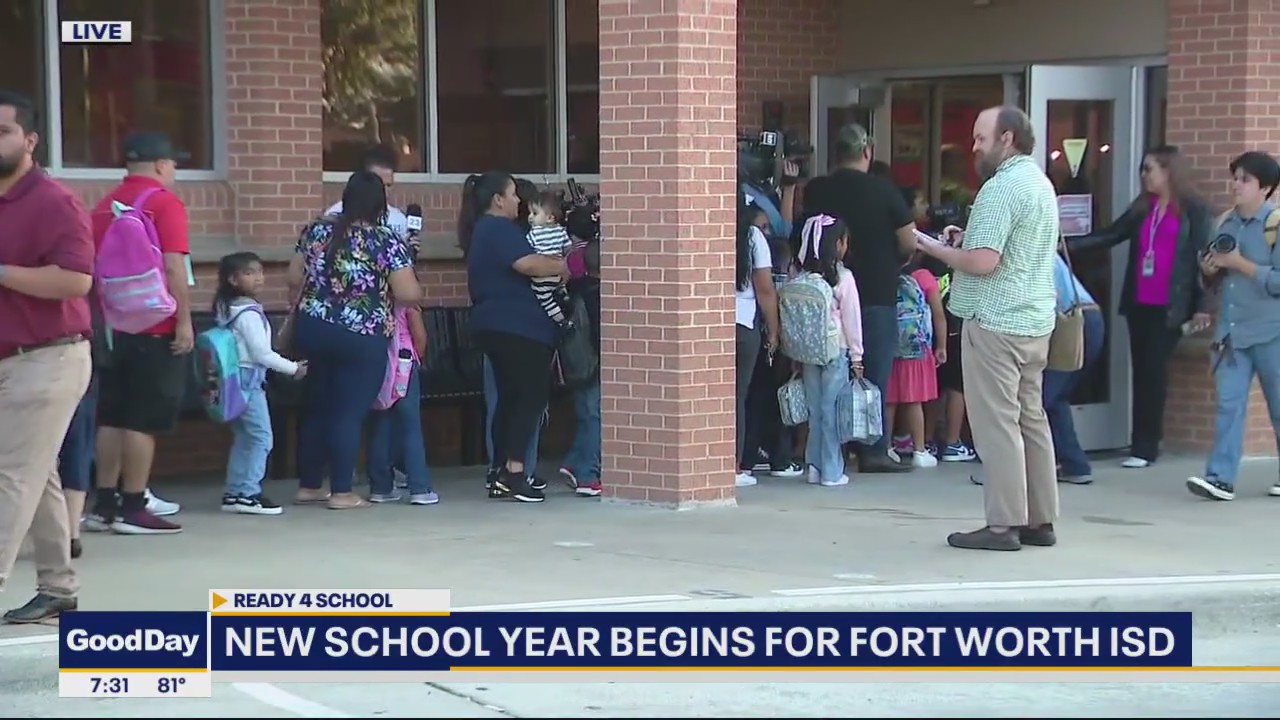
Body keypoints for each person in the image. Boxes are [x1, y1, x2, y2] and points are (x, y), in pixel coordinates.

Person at [916, 106, 1060, 552]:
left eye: (981, 138)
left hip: (995, 322)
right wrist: (967, 237)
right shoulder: (1040, 183)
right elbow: (1008, 247)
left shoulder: (1000, 188)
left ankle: (1002, 524)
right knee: (1031, 419)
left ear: (1008, 138)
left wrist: (934, 246)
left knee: (997, 425)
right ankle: (1041, 518)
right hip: (1035, 320)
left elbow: (983, 262)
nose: (973, 146)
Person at [0, 90, 94, 622]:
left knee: (9, 476)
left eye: (2, 132)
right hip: (9, 357)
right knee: (35, 475)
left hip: (49, 358)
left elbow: (76, 279)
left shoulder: (54, 201)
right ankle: (58, 586)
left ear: (30, 140)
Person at [1067, 145, 1212, 468]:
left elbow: (1203, 260)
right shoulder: (1143, 208)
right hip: (1140, 301)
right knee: (1140, 369)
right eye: (1143, 169)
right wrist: (1066, 246)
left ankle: (1146, 447)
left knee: (1154, 372)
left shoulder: (1193, 210)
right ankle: (1140, 442)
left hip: (1171, 304)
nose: (1145, 175)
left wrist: (1202, 305)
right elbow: (1111, 235)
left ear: (1169, 170)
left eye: (1150, 169)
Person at [288, 170, 421, 510]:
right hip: (361, 334)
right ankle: (342, 491)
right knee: (347, 411)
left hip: (312, 327)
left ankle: (309, 485)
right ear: (381, 202)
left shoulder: (317, 229)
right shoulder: (384, 238)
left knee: (318, 406)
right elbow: (407, 292)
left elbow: (293, 276)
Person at [86, 132, 192, 535]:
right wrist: (183, 321)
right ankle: (135, 505)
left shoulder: (104, 206)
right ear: (162, 165)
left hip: (113, 325)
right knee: (143, 418)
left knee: (111, 415)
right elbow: (173, 269)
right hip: (155, 324)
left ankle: (104, 503)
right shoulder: (164, 204)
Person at [805, 124, 917, 473]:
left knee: (827, 373)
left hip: (826, 292)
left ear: (836, 153)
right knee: (874, 374)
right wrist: (897, 260)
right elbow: (909, 241)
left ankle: (830, 449)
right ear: (867, 152)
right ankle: (873, 449)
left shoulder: (818, 190)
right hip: (877, 290)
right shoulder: (883, 191)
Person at [462, 172, 565, 503]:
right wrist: (560, 265)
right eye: (513, 195)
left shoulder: (483, 230)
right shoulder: (497, 228)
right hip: (515, 326)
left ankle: (500, 472)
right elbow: (526, 264)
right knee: (532, 395)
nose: (519, 201)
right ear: (497, 200)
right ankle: (515, 472)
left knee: (509, 399)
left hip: (494, 324)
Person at [1188, 151, 1280, 501]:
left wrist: (1241, 263)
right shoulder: (1224, 223)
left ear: (1265, 188)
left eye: (1246, 180)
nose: (1236, 185)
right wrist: (1210, 271)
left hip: (1272, 331)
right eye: (1236, 178)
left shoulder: (1275, 225)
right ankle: (1220, 478)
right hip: (1232, 333)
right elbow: (1213, 281)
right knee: (1229, 404)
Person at [213, 252, 307, 515]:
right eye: (249, 273)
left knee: (245, 437)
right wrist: (294, 369)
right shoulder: (247, 313)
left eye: (259, 272)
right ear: (233, 279)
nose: (258, 278)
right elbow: (261, 354)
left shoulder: (226, 308)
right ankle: (249, 492)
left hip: (230, 380)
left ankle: (234, 491)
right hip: (249, 380)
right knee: (262, 438)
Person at [795, 214, 864, 487]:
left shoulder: (803, 277)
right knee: (831, 411)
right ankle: (832, 472)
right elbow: (852, 320)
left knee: (815, 411)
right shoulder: (844, 278)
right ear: (838, 244)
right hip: (836, 351)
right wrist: (857, 356)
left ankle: (813, 466)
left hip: (809, 352)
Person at [366, 240, 437, 507]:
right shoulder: (408, 302)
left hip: (378, 365)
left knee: (379, 424)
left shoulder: (372, 300)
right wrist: (420, 356)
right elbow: (419, 337)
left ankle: (381, 486)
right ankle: (420, 486)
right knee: (410, 426)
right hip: (405, 365)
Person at [1043, 249, 1106, 484]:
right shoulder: (1042, 247)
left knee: (1041, 400)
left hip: (1073, 322)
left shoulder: (1035, 251)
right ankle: (1074, 465)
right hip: (1086, 319)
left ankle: (1030, 468)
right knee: (1054, 398)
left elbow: (1050, 296)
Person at [734, 194, 782, 487]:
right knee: (736, 397)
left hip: (704, 322)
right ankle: (733, 464)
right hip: (742, 324)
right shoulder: (752, 237)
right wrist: (774, 330)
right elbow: (764, 289)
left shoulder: (704, 226)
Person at [887, 253, 946, 468]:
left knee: (889, 400)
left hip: (891, 346)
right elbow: (938, 314)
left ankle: (886, 448)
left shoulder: (886, 275)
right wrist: (941, 346)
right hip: (917, 347)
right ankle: (919, 450)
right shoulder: (924, 277)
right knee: (914, 400)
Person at [561, 240, 604, 497]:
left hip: (576, 363)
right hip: (594, 362)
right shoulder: (598, 295)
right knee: (594, 417)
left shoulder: (575, 291)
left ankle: (572, 462)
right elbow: (600, 334)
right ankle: (588, 475)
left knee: (586, 415)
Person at [325, 145, 408, 241]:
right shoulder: (334, 214)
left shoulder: (398, 219)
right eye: (379, 185)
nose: (384, 191)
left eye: (388, 185)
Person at [525, 190, 574, 329]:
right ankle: (562, 291)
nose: (530, 217)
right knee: (555, 288)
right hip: (558, 275)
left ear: (549, 218)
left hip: (542, 277)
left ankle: (562, 321)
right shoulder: (560, 231)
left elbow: (527, 252)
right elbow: (569, 249)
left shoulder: (533, 234)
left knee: (544, 299)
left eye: (534, 213)